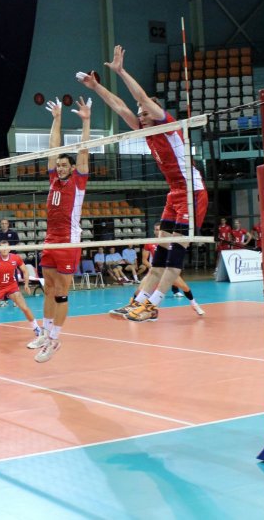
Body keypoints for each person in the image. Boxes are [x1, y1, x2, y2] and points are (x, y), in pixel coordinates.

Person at [80, 45, 209, 323]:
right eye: (140, 113)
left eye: (144, 111)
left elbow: (139, 97)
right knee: (159, 255)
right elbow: (120, 107)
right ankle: (137, 303)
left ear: (156, 111)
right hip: (175, 195)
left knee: (174, 256)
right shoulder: (146, 130)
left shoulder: (167, 124)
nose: (140, 114)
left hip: (193, 193)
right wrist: (96, 87)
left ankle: (153, 305)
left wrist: (120, 71)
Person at [28, 96, 91, 363]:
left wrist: (86, 121)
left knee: (62, 292)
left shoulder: (78, 182)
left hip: (68, 241)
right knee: (49, 288)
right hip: (50, 239)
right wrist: (57, 119)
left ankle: (55, 340)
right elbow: (53, 148)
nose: (61, 167)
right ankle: (45, 333)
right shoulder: (54, 178)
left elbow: (84, 151)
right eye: (60, 165)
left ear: (73, 168)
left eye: (66, 165)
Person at [113, 243, 205, 318]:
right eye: (156, 229)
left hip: (168, 271)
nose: (157, 231)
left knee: (185, 288)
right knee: (139, 290)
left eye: (158, 229)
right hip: (155, 271)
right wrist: (154, 269)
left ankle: (195, 305)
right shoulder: (150, 244)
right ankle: (132, 308)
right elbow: (144, 260)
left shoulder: (171, 243)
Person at [0, 241, 35, 335]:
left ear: (9, 249)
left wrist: (26, 284)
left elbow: (25, 271)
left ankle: (36, 327)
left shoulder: (15, 258)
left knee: (24, 307)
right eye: (2, 248)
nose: (4, 249)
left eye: (6, 247)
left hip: (11, 286)